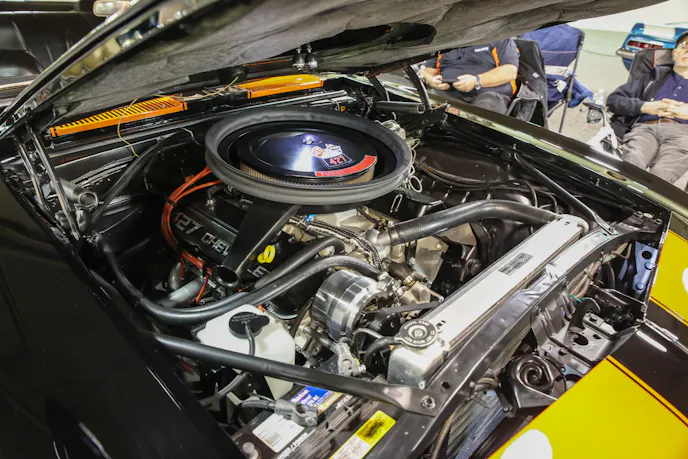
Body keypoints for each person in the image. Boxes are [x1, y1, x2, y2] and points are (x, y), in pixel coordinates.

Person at [607, 31, 688, 183]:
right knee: (632, 164)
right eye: (684, 46)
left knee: (661, 176)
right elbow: (614, 100)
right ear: (674, 53)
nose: (687, 51)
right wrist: (646, 106)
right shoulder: (653, 77)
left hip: (682, 134)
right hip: (645, 129)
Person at [422, 39, 519, 114]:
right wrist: (432, 81)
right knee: (425, 101)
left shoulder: (500, 39)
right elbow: (427, 71)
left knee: (485, 111)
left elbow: (510, 71)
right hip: (448, 92)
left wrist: (476, 80)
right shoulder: (443, 43)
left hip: (487, 94)